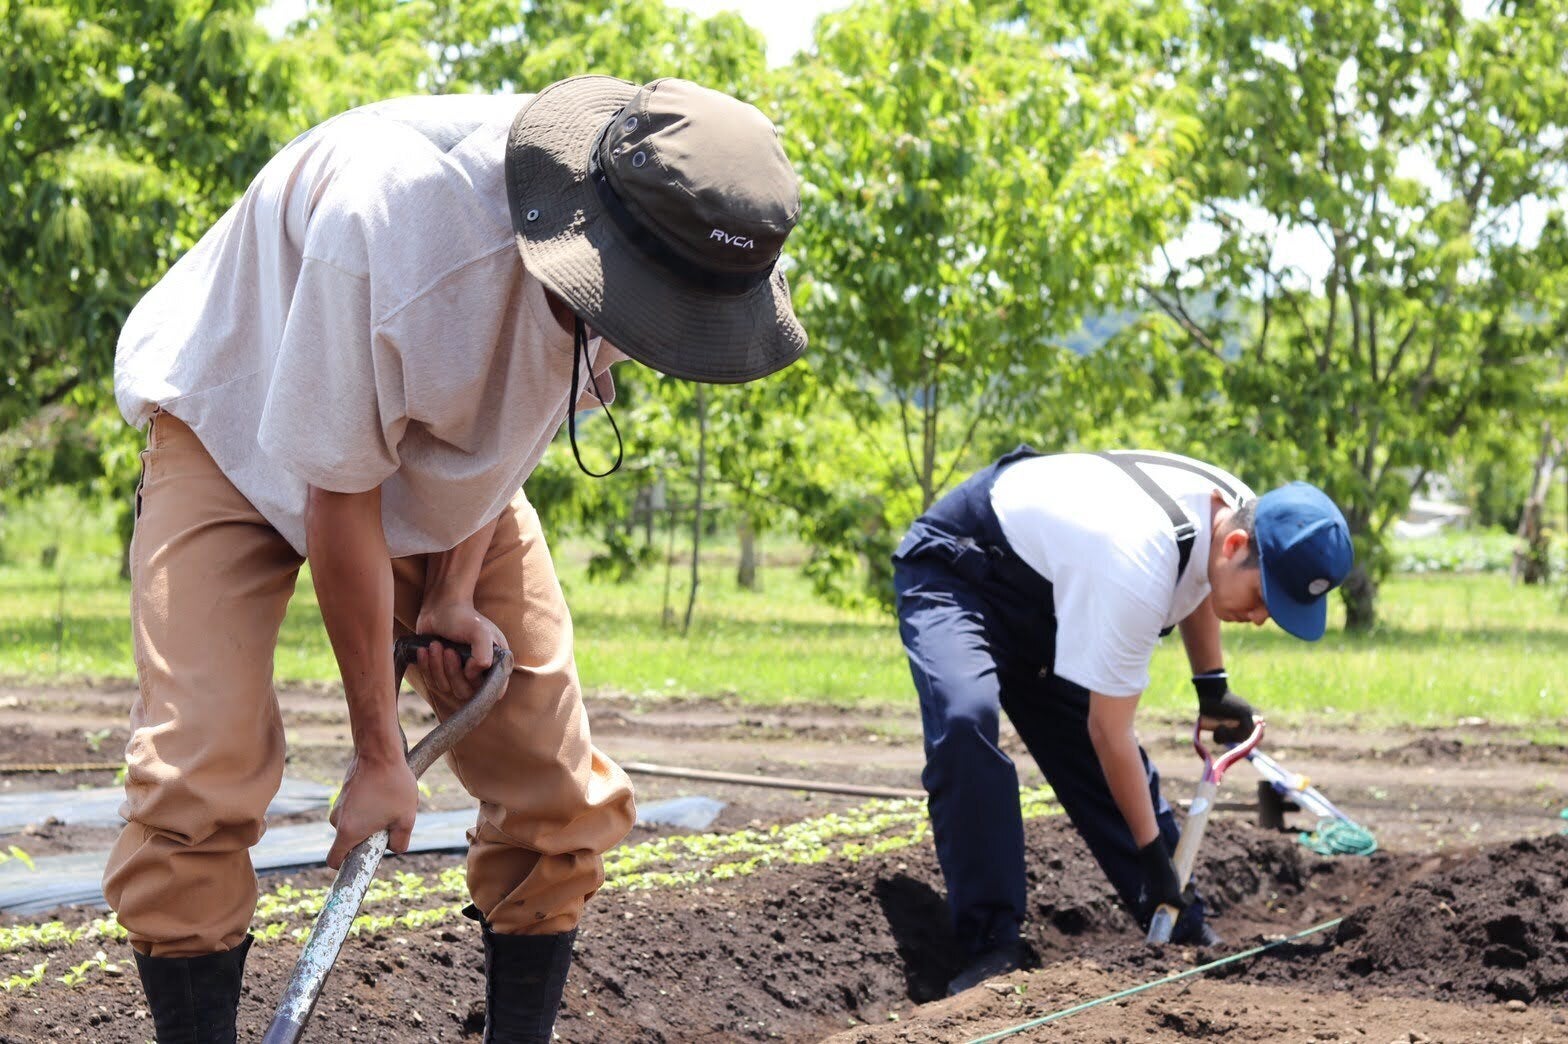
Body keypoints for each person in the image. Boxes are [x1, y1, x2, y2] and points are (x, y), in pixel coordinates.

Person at [108, 74, 807, 1042]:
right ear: (592, 232)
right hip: (228, 413)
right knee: (198, 769)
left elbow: (512, 420)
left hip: (422, 447)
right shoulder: (393, 226)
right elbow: (338, 500)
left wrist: (452, 592)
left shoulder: (665, 242)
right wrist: (378, 755)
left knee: (554, 784)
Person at [892, 447, 1353, 995]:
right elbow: (1110, 733)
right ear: (1236, 546)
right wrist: (1150, 855)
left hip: (1053, 592)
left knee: (1101, 766)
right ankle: (991, 943)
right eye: (1262, 598)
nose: (1258, 618)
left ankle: (1180, 926)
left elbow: (1200, 577)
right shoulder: (1138, 560)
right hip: (962, 569)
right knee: (966, 721)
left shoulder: (1238, 514)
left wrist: (1211, 686)